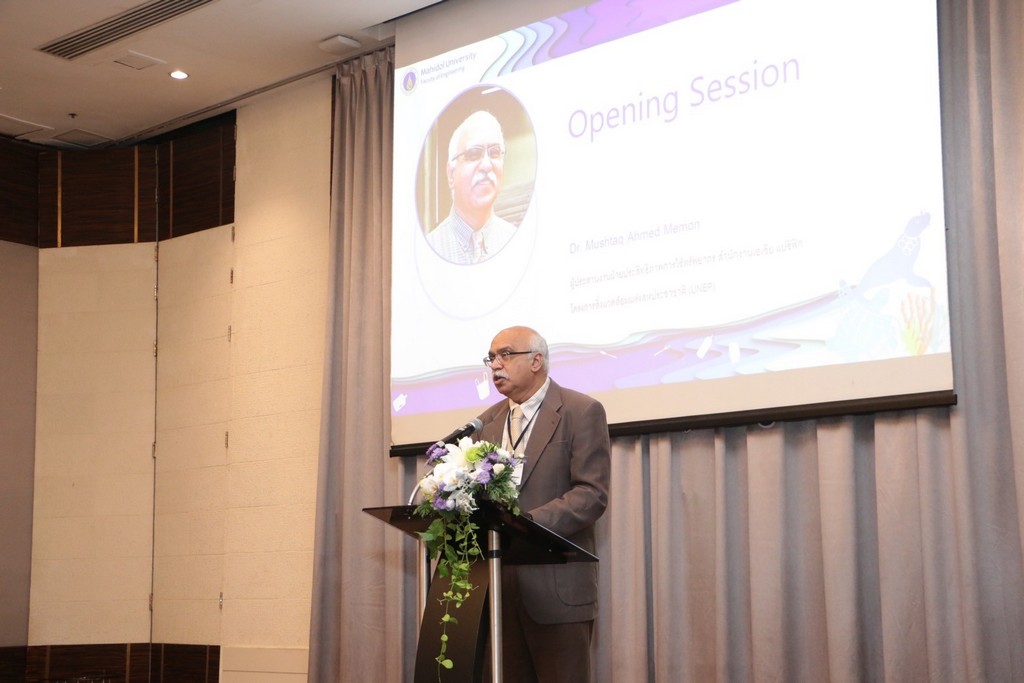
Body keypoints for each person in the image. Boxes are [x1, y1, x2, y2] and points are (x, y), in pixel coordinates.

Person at [476, 325, 611, 682]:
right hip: (499, 591)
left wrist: (526, 525)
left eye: (506, 355)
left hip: (557, 591)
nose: (495, 365)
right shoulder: (485, 423)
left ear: (536, 361)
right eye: (491, 358)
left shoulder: (581, 411)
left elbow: (591, 494)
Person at [427, 110, 517, 264]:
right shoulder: (429, 250)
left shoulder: (517, 243)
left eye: (495, 153)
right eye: (474, 154)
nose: (487, 165)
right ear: (451, 174)